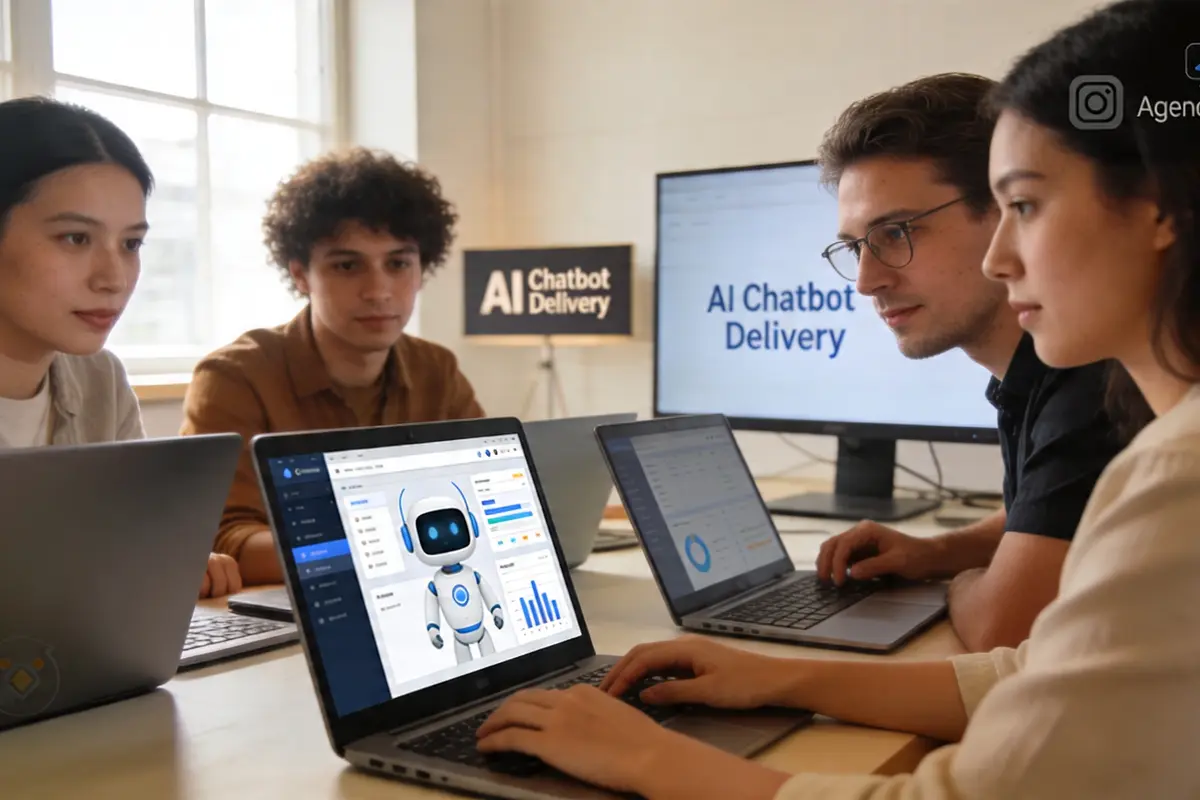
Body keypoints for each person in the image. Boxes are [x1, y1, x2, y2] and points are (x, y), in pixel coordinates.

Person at [471, 1, 1200, 796]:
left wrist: (648, 759)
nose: (1000, 257)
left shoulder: (1174, 469)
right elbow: (1034, 670)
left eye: (1022, 205)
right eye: (855, 246)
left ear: (1161, 206)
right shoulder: (1139, 435)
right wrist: (776, 676)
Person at [810, 71, 1139, 651]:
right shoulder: (1035, 374)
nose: (866, 281)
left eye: (896, 232)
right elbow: (1053, 514)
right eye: (856, 246)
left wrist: (965, 583)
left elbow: (1002, 627)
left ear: (1008, 212)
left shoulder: (1096, 381)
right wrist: (935, 552)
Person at [180, 148, 485, 585]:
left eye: (398, 263)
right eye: (347, 265)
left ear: (422, 270)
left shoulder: (437, 369)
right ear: (301, 275)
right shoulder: (234, 377)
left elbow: (485, 500)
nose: (378, 290)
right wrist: (377, 548)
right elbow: (222, 542)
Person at [0, 96, 241, 599]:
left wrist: (166, 562)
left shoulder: (99, 379)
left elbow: (135, 548)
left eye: (131, 244)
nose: (113, 279)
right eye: (75, 238)